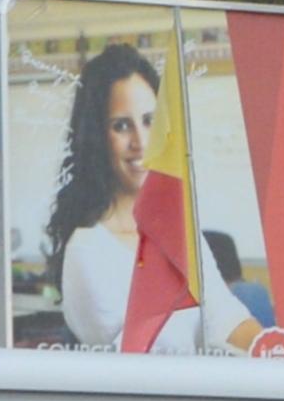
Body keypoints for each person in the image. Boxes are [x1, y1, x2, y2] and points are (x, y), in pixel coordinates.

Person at [45, 42, 222, 354]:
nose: (141, 142)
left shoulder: (184, 234)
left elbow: (225, 325)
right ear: (98, 138)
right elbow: (139, 358)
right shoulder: (88, 249)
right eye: (122, 125)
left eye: (150, 120)